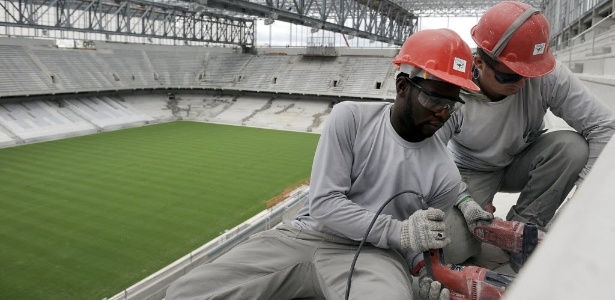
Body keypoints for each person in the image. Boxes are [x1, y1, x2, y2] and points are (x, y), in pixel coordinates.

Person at [165, 28, 481, 300]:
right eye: (433, 99)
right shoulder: (351, 119)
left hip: (374, 256)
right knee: (188, 292)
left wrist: (418, 276)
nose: (442, 112)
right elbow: (325, 205)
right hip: (306, 235)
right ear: (402, 87)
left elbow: (415, 245)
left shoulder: (446, 177)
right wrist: (400, 231)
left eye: (451, 104)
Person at [437, 1, 615, 271]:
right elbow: (427, 158)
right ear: (479, 63)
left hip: (518, 159)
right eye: (508, 77)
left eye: (527, 75)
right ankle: (479, 232)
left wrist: (578, 205)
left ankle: (521, 234)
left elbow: (604, 125)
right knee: (452, 248)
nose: (521, 85)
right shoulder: (453, 93)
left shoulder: (544, 74)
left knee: (572, 148)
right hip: (469, 170)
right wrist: (464, 199)